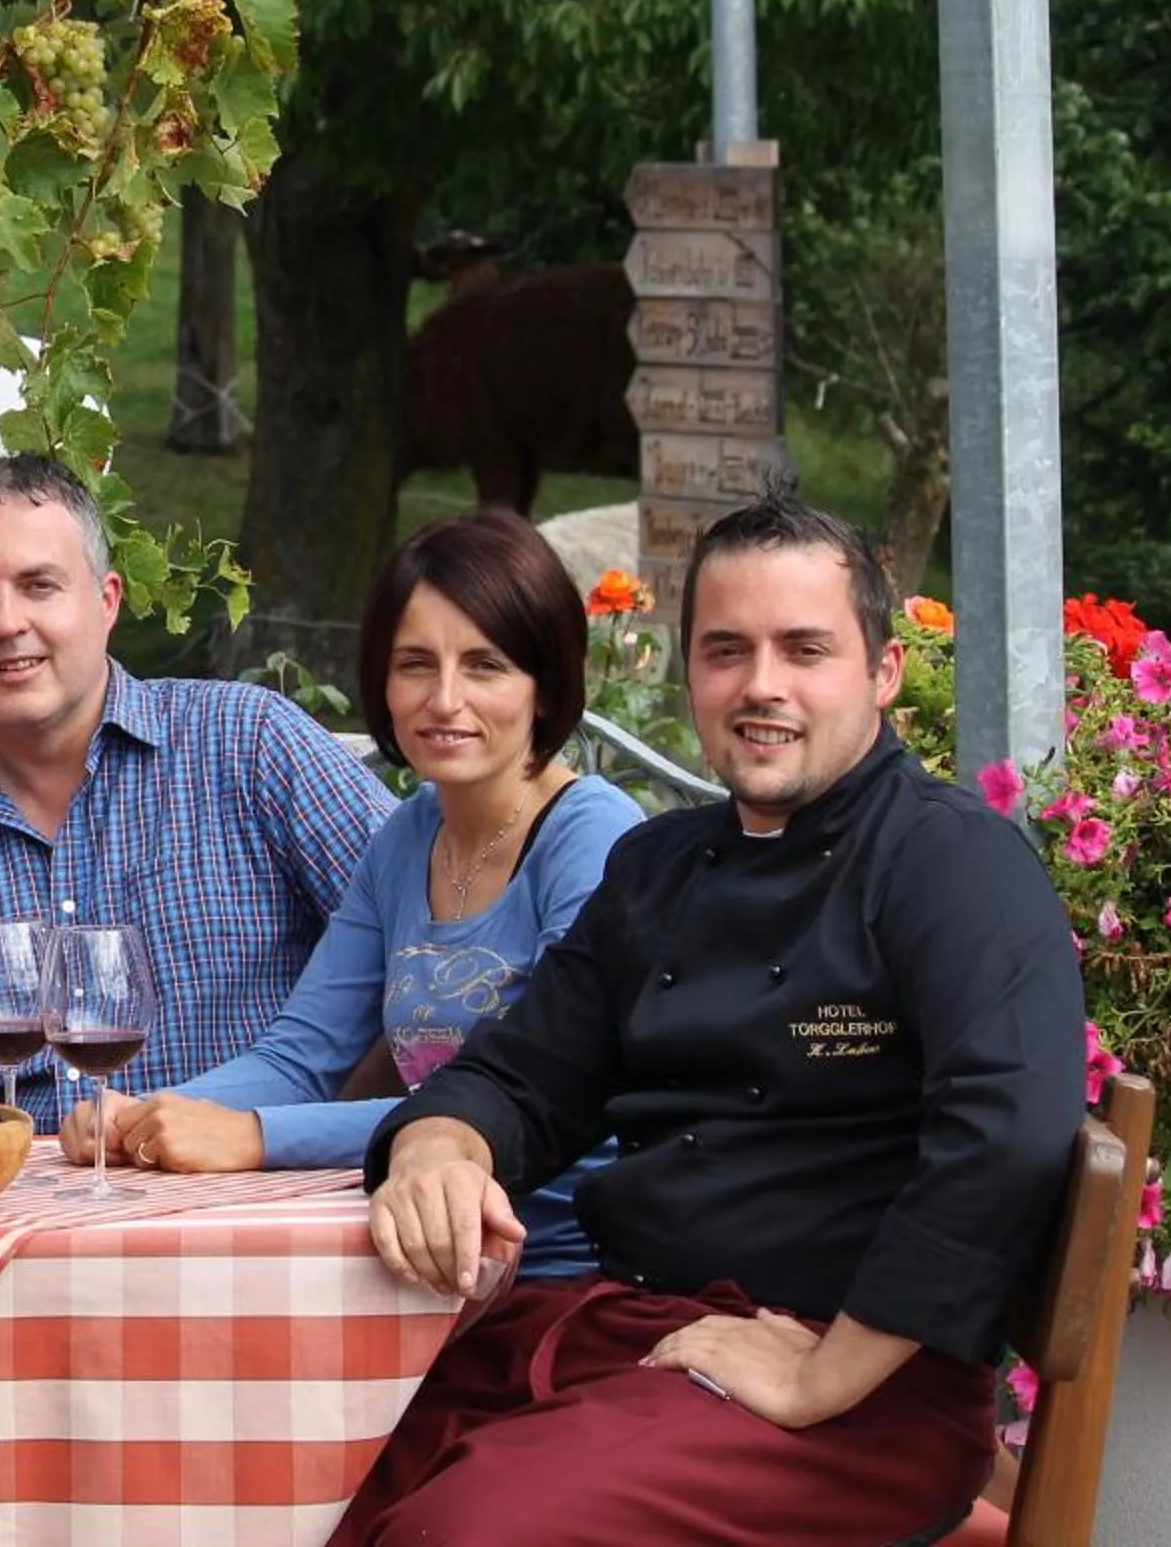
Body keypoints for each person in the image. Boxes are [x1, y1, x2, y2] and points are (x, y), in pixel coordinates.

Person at [337, 487, 1084, 1545]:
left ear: (882, 672)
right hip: (633, 1337)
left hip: (857, 1395)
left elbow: (1007, 1135)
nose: (761, 684)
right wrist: (437, 1148)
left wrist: (823, 1375)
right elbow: (519, 1075)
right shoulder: (656, 867)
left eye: (805, 649)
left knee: (460, 1537)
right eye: (727, 650)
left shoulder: (952, 863)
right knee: (307, 1469)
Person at [60, 509, 642, 1282]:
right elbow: (301, 1058)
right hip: (408, 1261)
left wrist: (254, 1136)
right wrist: (142, 1113)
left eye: (485, 665)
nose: (444, 699)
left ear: (546, 683)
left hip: (560, 1269)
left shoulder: (593, 836)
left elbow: (537, 1099)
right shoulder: (408, 837)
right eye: (415, 664)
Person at [0, 454, 391, 1119]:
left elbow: (427, 930)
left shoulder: (247, 745)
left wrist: (340, 1118)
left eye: (39, 585)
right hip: (22, 1183)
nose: (5, 623)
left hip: (251, 1173)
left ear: (107, 601)